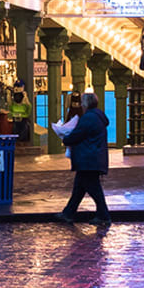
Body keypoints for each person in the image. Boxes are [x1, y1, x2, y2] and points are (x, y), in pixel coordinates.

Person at [57, 91, 111, 225]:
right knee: (79, 189)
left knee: (94, 189)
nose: (81, 105)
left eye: (82, 103)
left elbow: (78, 134)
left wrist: (65, 138)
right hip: (93, 158)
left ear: (85, 104)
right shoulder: (98, 117)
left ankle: (104, 216)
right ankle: (68, 213)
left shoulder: (88, 118)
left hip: (88, 159)